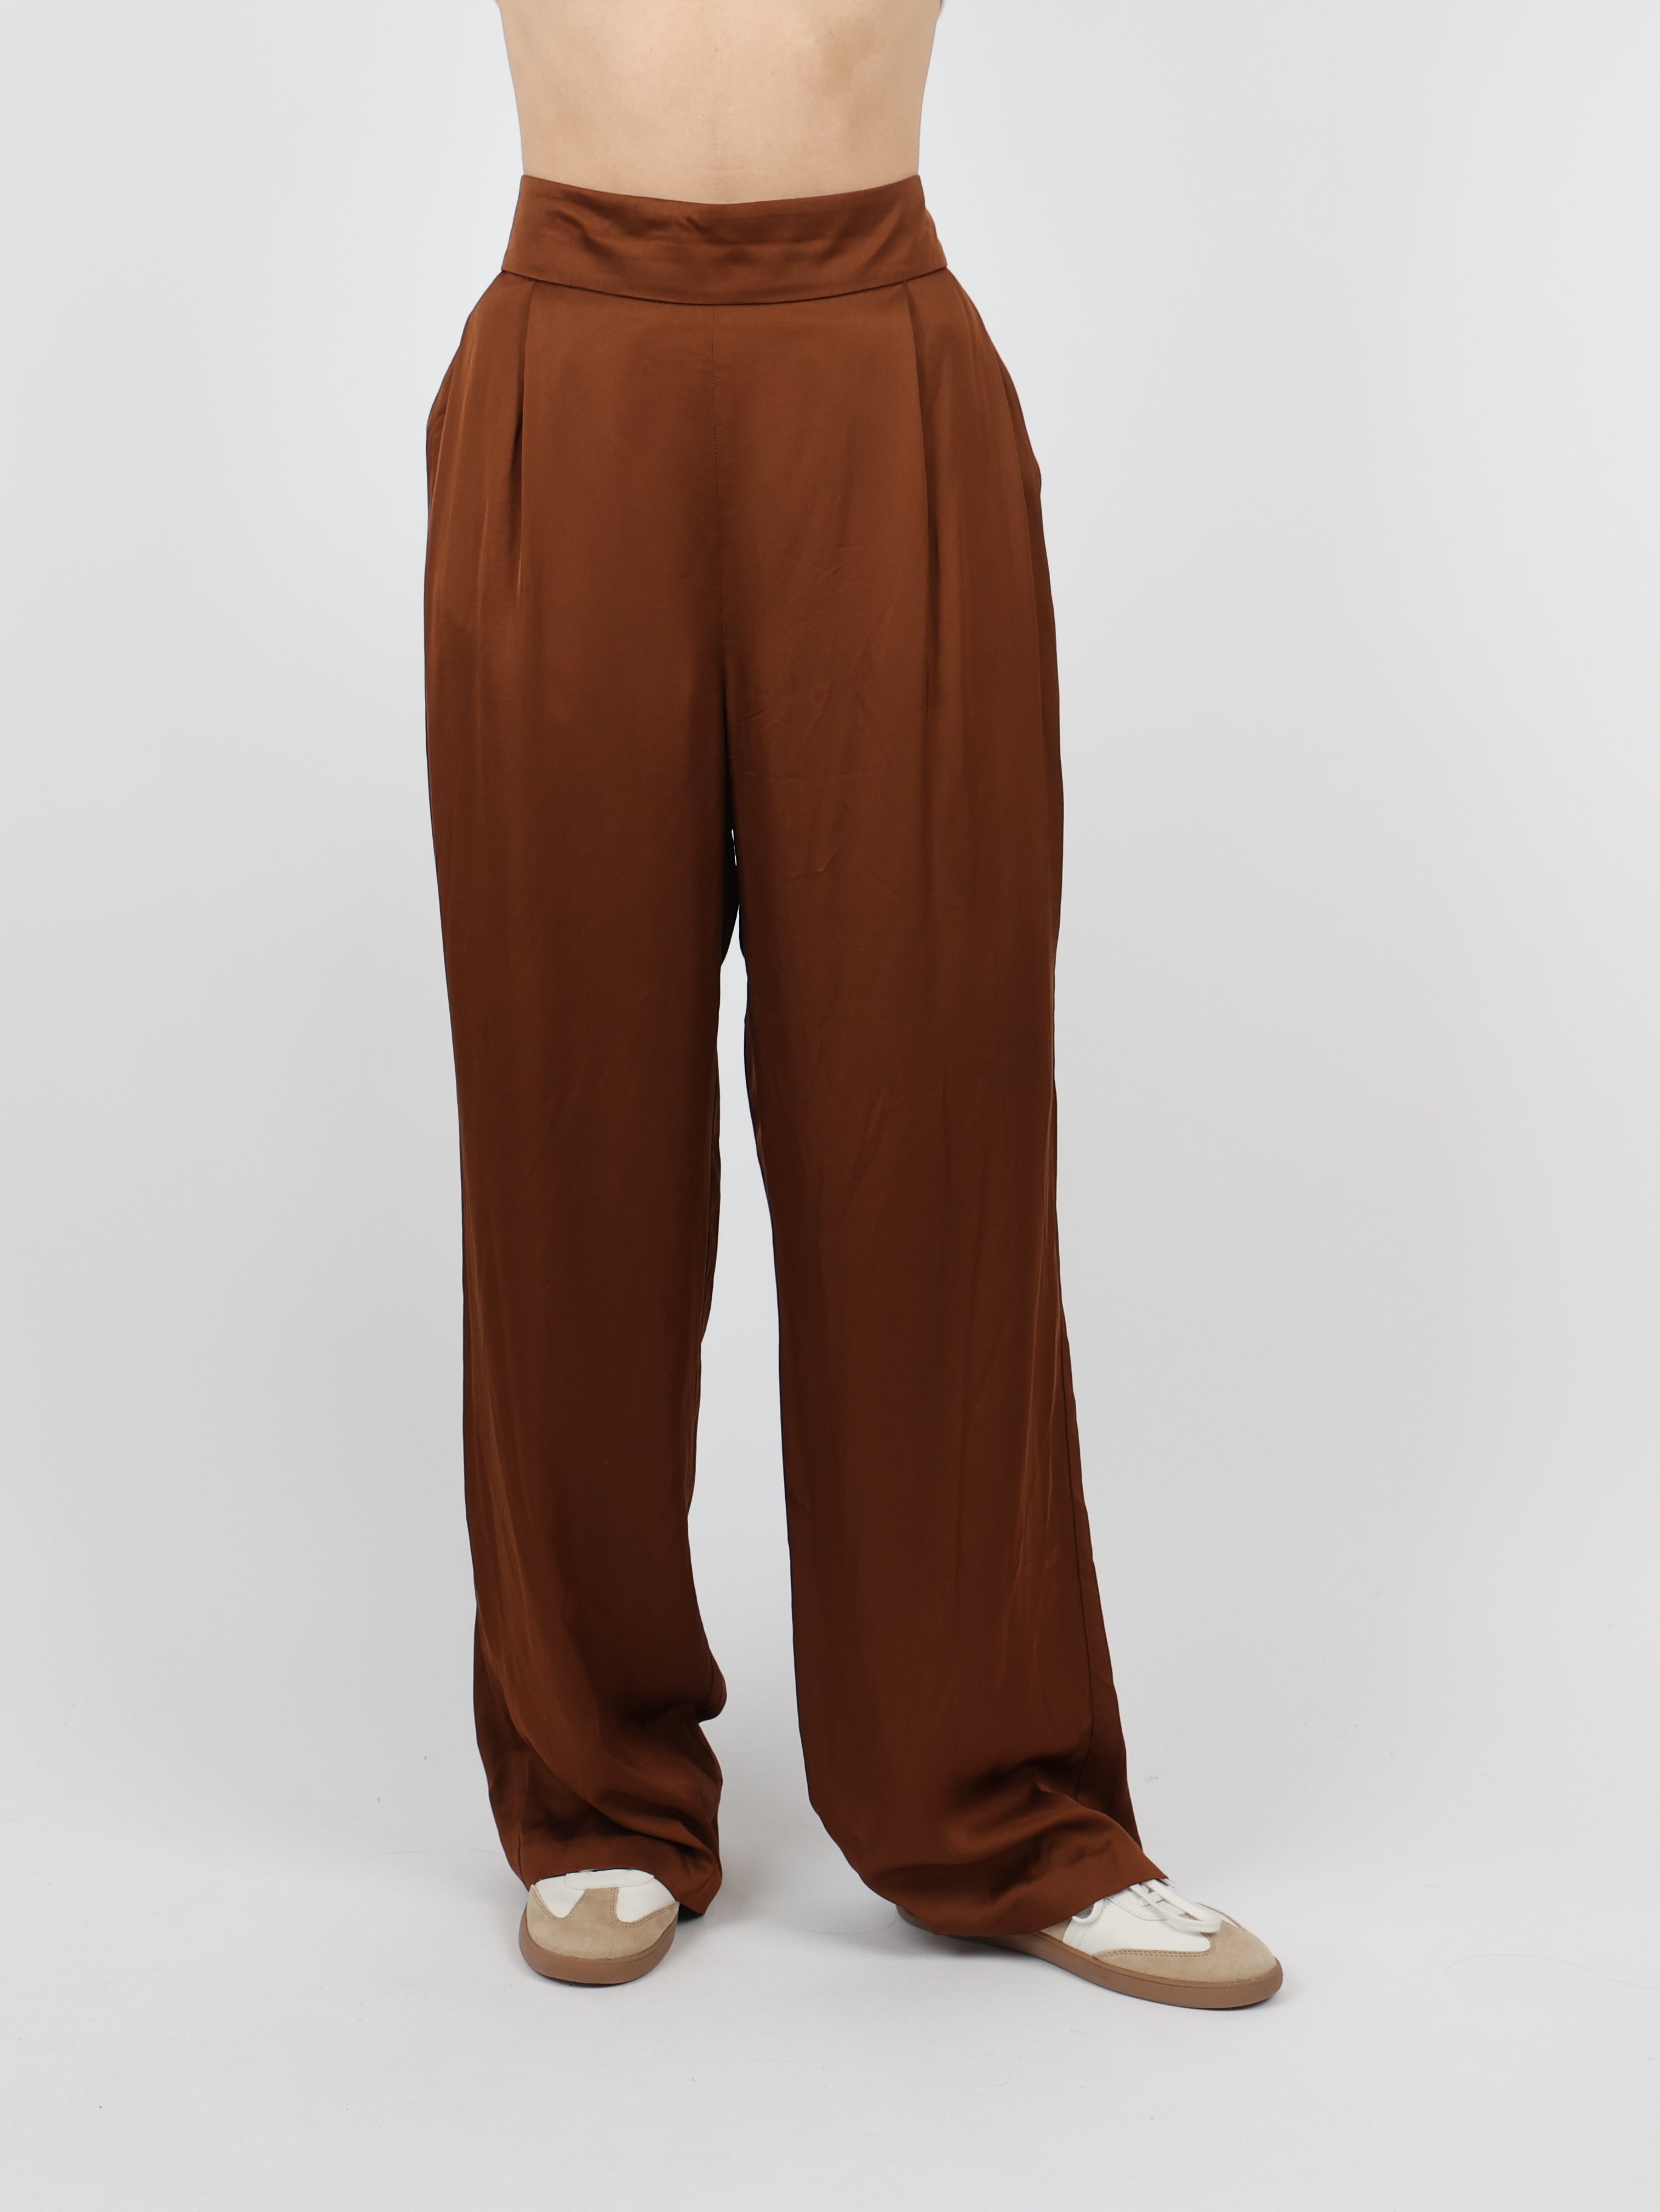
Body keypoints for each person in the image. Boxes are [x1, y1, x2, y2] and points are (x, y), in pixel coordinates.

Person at [421, 0, 1282, 2008]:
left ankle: (998, 1800)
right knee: (569, 1121)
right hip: (574, 367)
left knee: (935, 1114)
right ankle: (598, 1786)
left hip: (878, 370)